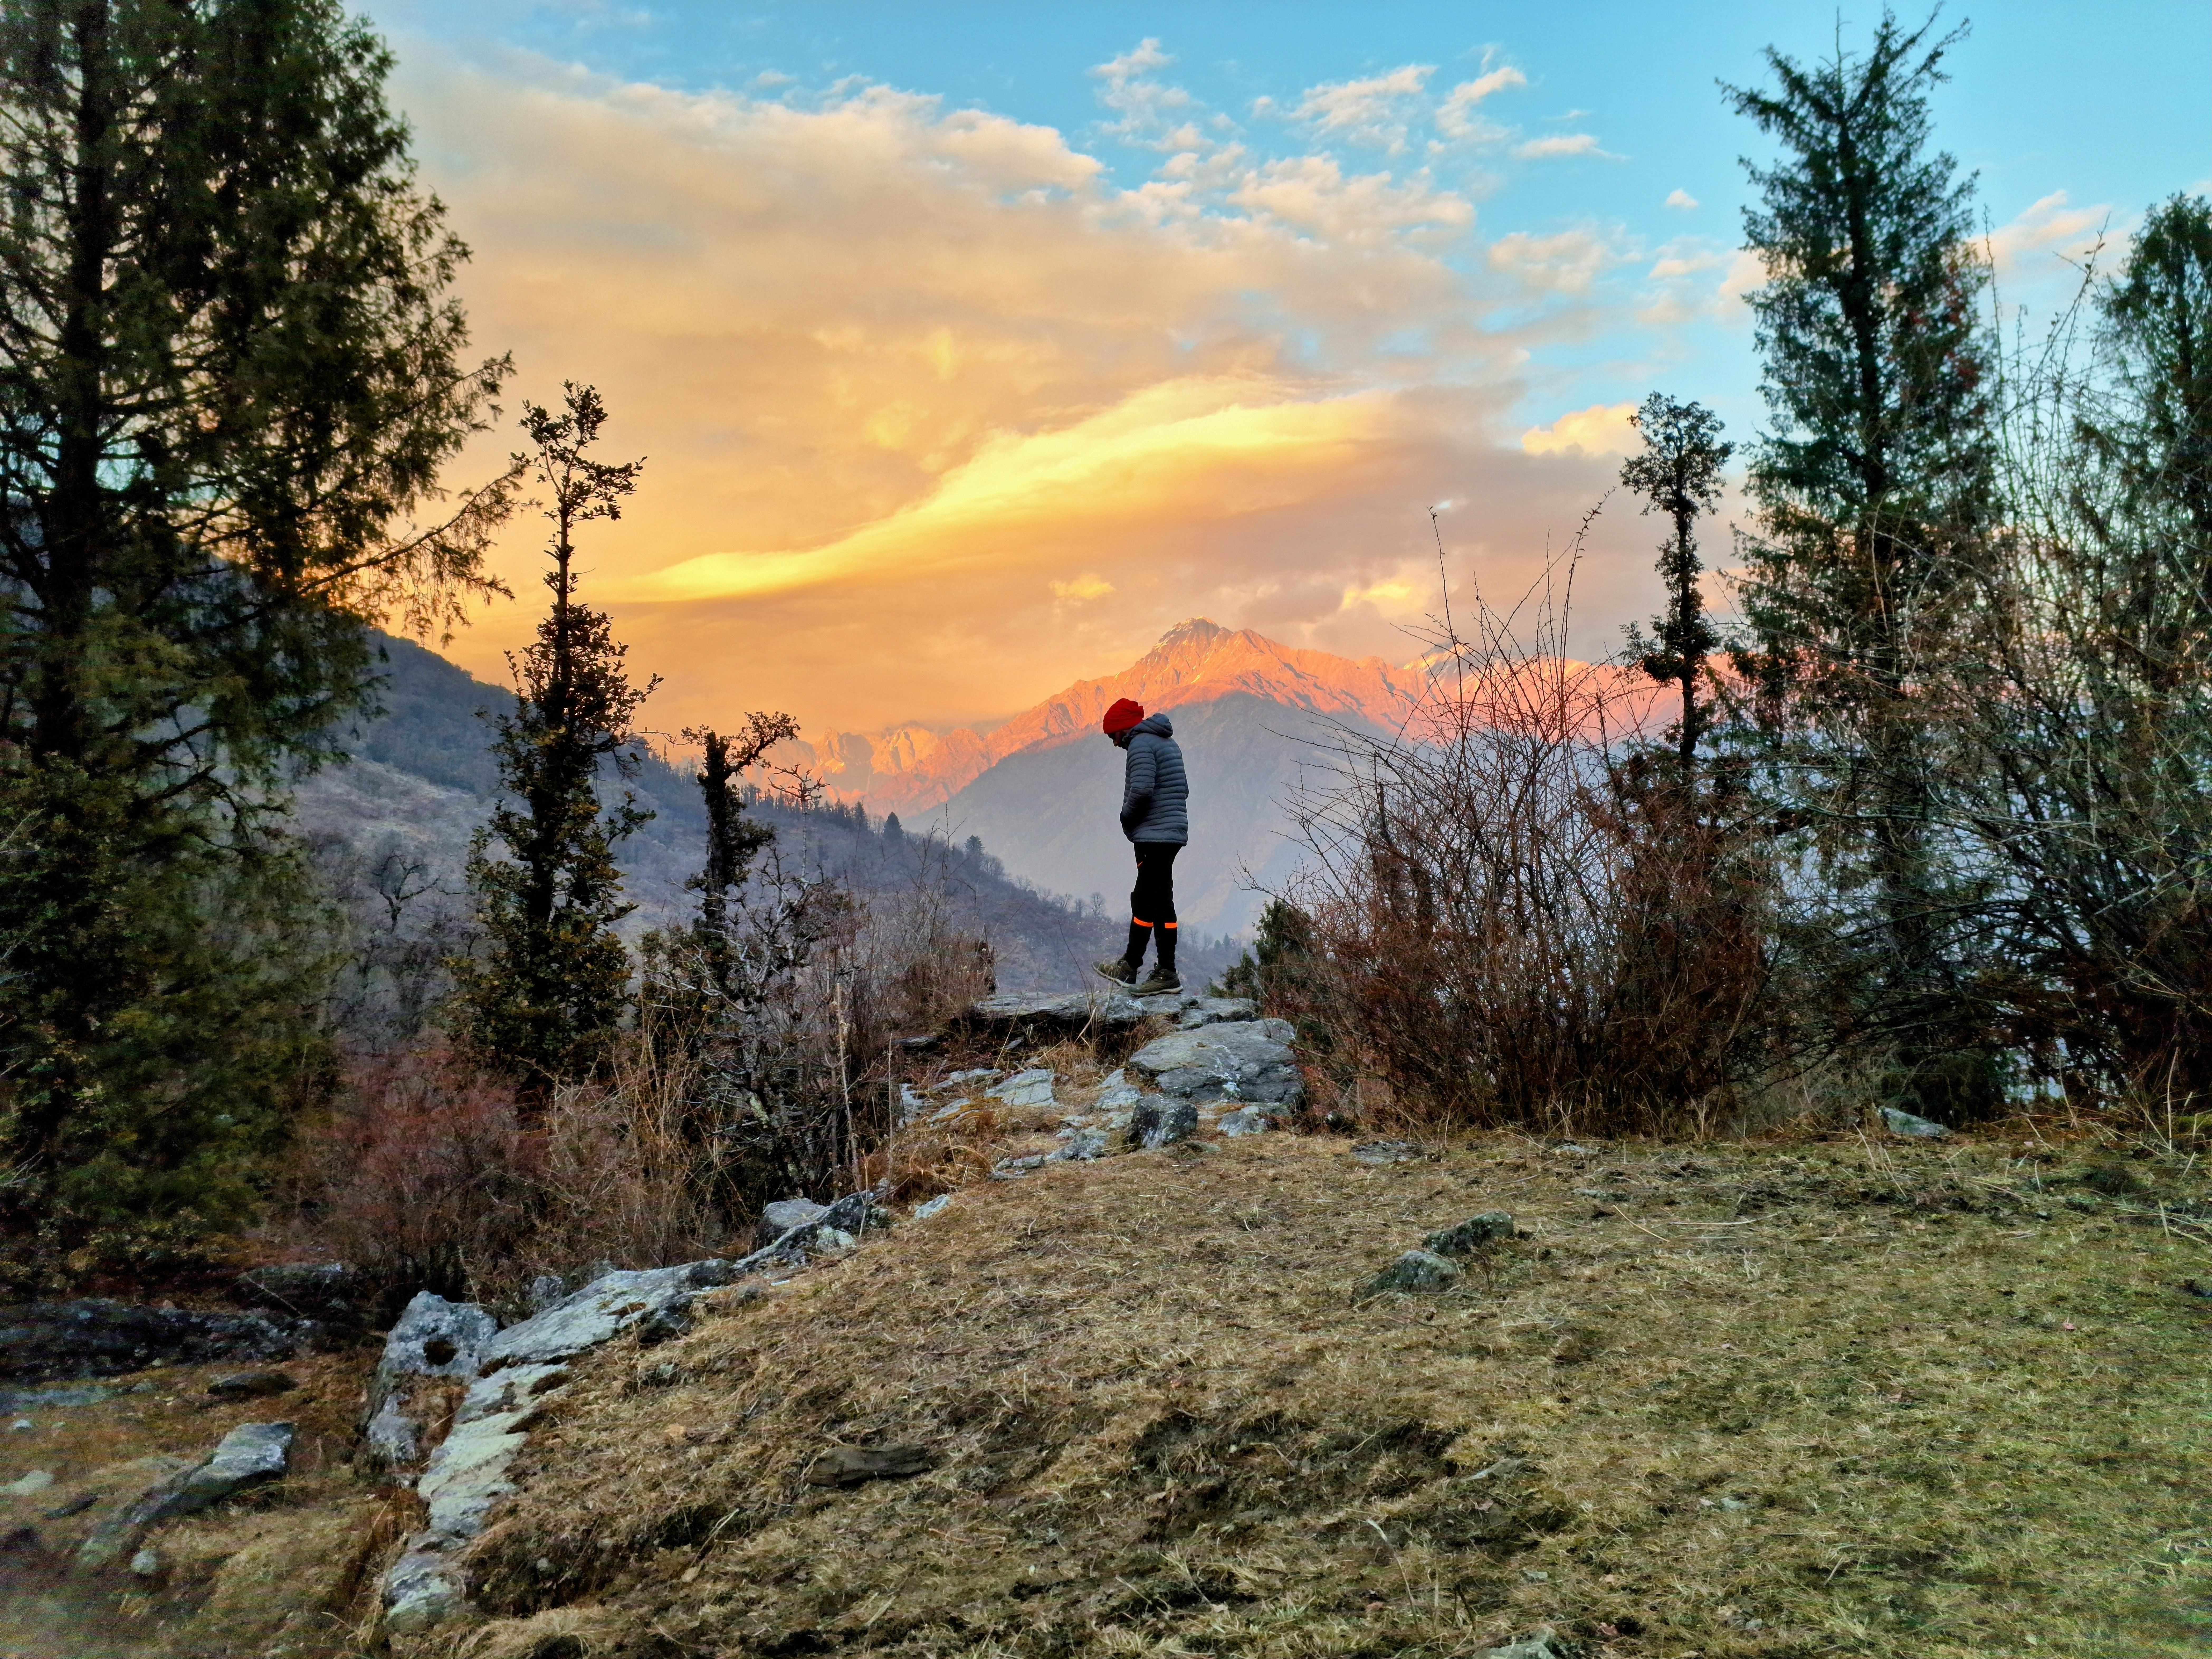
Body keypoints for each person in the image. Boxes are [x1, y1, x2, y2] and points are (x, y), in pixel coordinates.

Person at [1094, 696, 1187, 995]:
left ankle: (1150, 970)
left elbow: (1143, 789)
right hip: (1168, 831)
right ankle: (1143, 968)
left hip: (1155, 835)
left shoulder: (1140, 745)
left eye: (1113, 735)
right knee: (1154, 899)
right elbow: (1182, 789)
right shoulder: (1165, 743)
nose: (1113, 743)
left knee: (1150, 899)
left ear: (1123, 729)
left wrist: (1126, 817)